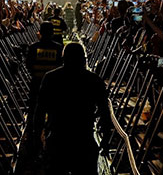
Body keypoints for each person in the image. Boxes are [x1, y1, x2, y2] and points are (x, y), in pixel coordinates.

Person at [33, 43, 112, 175]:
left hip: (58, 138)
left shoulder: (51, 78)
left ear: (63, 59)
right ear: (83, 59)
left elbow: (40, 110)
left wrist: (37, 137)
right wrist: (106, 138)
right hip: (83, 139)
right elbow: (104, 112)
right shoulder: (94, 79)